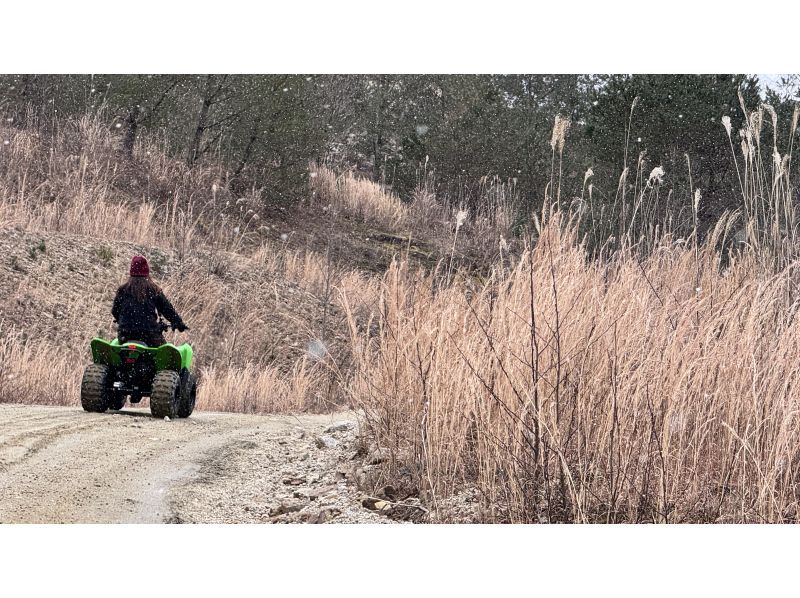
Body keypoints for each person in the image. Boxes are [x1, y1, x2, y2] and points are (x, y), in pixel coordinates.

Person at [112, 256, 188, 346]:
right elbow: (167, 309)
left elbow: (115, 311)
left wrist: (121, 321)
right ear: (147, 271)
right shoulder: (154, 290)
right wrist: (178, 322)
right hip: (149, 336)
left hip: (125, 336)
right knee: (164, 355)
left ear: (131, 271)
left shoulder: (122, 290)